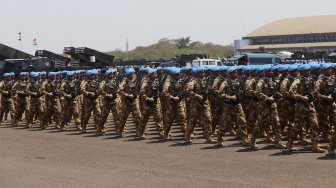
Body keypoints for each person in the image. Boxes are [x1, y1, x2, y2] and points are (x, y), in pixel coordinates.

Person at [287, 64, 324, 153]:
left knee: (314, 124)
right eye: (307, 71)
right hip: (301, 106)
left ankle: (315, 145)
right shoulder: (298, 80)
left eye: (309, 70)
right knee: (298, 126)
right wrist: (301, 97)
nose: (309, 72)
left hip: (310, 105)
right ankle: (290, 142)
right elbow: (291, 92)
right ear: (303, 72)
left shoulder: (310, 79)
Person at [185, 67, 215, 144]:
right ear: (197, 73)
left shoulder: (206, 81)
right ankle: (188, 135)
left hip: (205, 103)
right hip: (195, 104)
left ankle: (208, 136)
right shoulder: (193, 82)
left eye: (203, 72)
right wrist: (198, 96)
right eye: (201, 72)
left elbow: (209, 89)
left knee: (208, 119)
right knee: (193, 121)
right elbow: (188, 91)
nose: (203, 73)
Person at [138, 68, 164, 139]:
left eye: (155, 74)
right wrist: (148, 99)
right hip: (148, 104)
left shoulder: (156, 81)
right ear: (150, 75)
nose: (156, 75)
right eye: (154, 74)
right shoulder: (145, 83)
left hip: (155, 103)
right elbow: (141, 93)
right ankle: (141, 133)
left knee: (158, 117)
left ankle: (161, 132)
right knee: (144, 119)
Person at [118, 68, 142, 137]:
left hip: (134, 101)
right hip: (126, 102)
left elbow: (139, 89)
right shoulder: (124, 82)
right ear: (128, 75)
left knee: (138, 117)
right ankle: (120, 131)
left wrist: (136, 95)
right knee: (123, 118)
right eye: (132, 74)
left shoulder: (136, 81)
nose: (134, 75)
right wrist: (127, 95)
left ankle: (139, 132)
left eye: (134, 73)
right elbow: (119, 91)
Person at [96, 69, 120, 135]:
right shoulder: (104, 82)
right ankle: (100, 129)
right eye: (110, 74)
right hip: (107, 101)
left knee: (117, 116)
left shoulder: (115, 81)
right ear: (107, 75)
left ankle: (118, 130)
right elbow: (100, 90)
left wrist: (116, 93)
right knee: (104, 116)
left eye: (112, 74)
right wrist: (107, 95)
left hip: (114, 101)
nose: (112, 75)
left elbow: (119, 88)